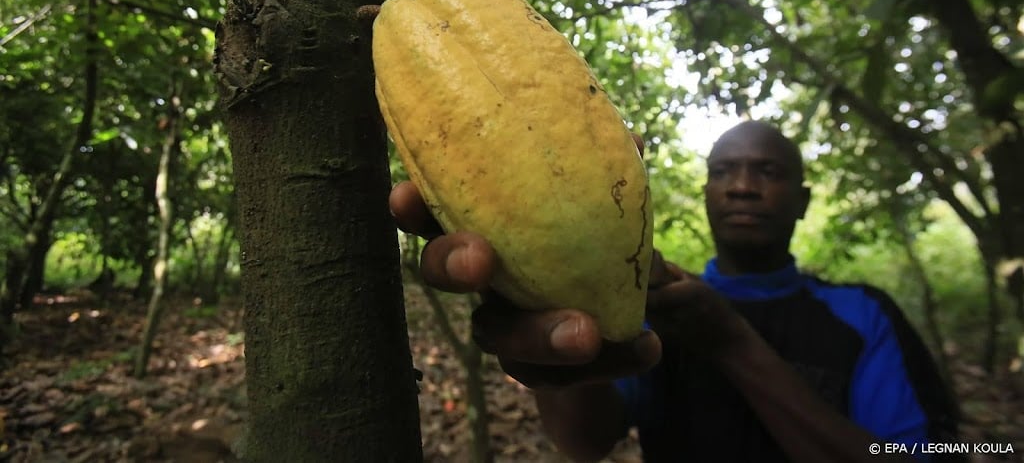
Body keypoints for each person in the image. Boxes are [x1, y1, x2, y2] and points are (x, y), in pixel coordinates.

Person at [389, 120, 961, 462]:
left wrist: (733, 344)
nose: (742, 187)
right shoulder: (659, 308)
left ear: (804, 200)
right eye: (725, 171)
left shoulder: (862, 314)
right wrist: (539, 300)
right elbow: (588, 442)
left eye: (767, 172)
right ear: (707, 190)